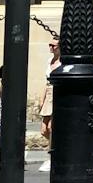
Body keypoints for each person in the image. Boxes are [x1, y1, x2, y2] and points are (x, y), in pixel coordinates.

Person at [38, 37, 60, 172]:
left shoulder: (62, 62)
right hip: (48, 93)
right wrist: (42, 98)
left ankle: (52, 156)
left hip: (57, 93)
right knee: (44, 130)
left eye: (53, 45)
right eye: (50, 44)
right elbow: (45, 81)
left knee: (52, 128)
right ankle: (58, 147)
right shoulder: (49, 61)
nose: (51, 47)